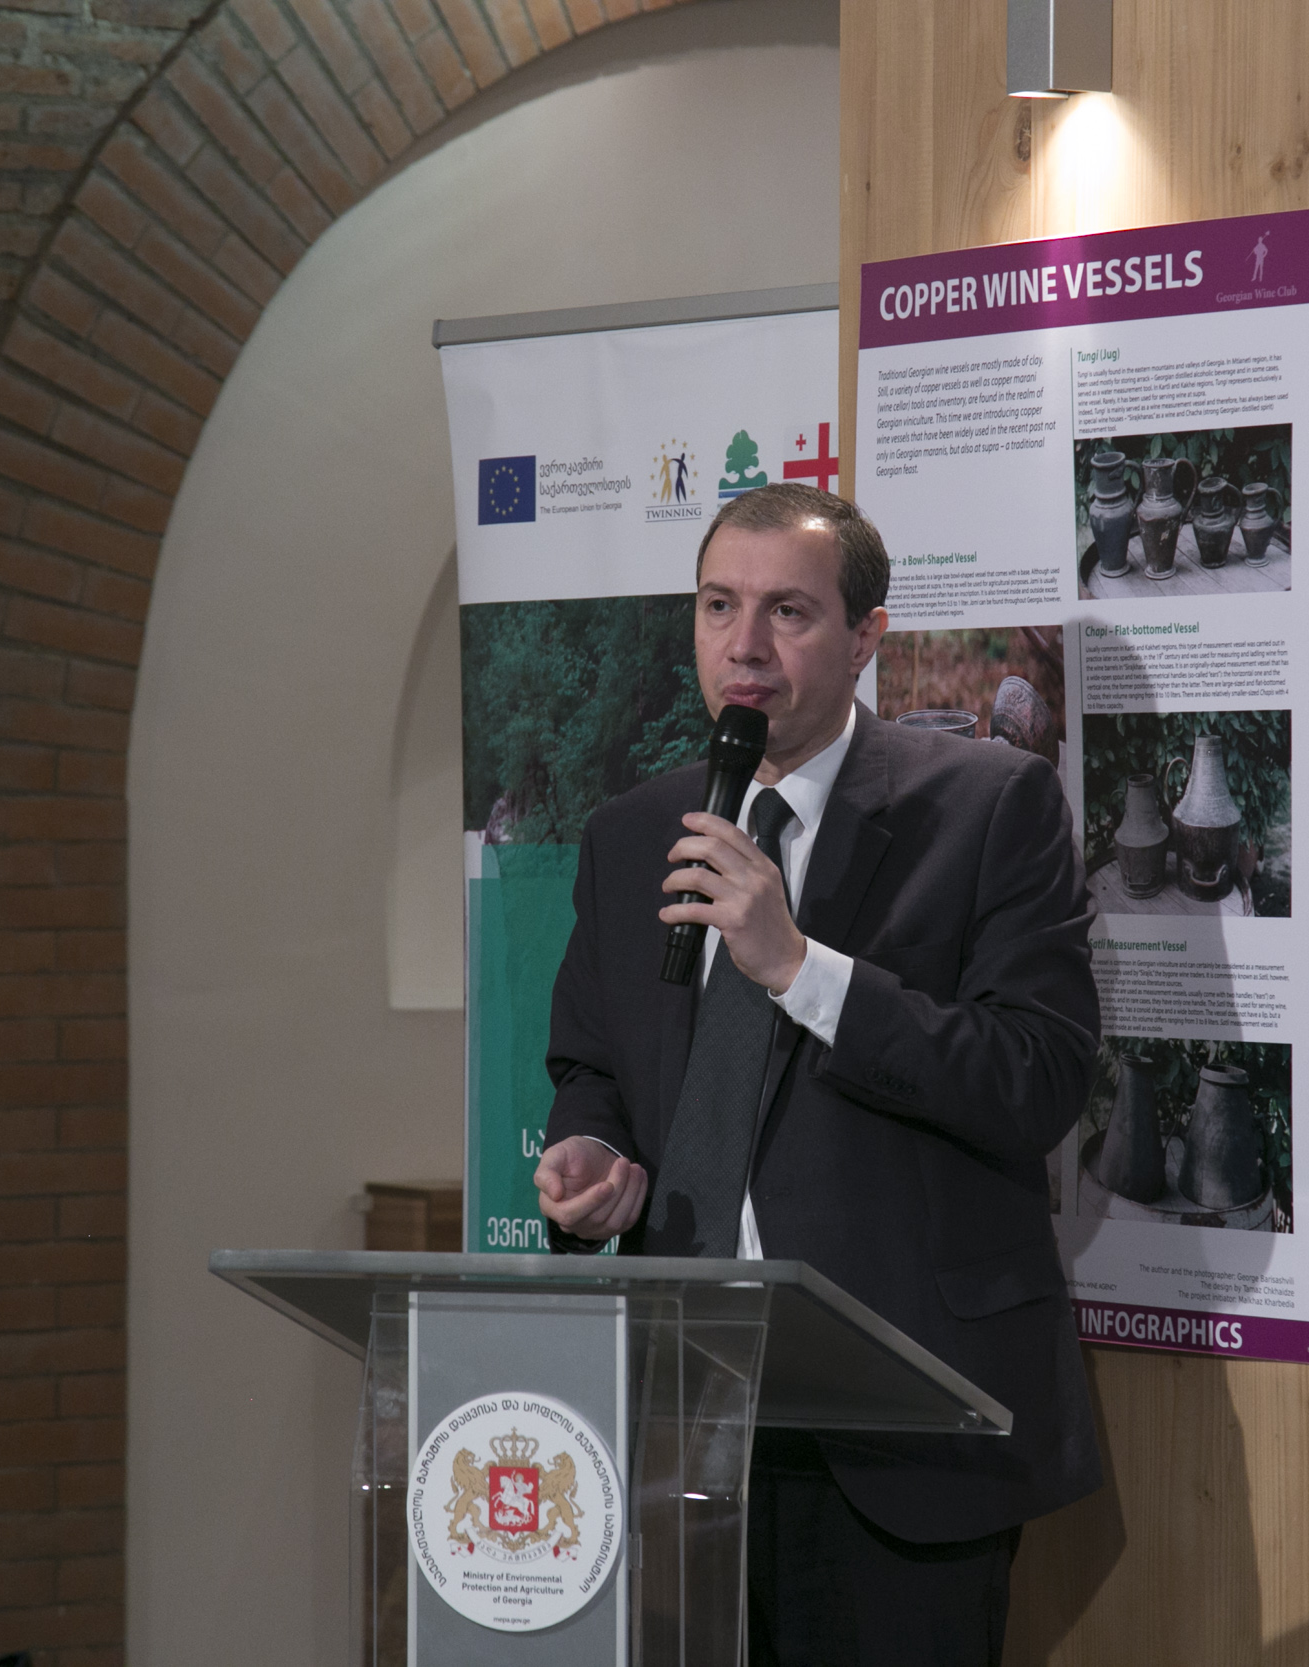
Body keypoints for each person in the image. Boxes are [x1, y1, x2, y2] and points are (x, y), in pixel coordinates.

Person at [535, 482, 1102, 1665]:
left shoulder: (989, 806)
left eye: (786, 611)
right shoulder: (632, 831)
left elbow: (1039, 1078)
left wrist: (800, 968)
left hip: (901, 1430)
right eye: (718, 605)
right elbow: (594, 1062)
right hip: (682, 1419)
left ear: (865, 636)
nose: (743, 645)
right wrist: (593, 1151)